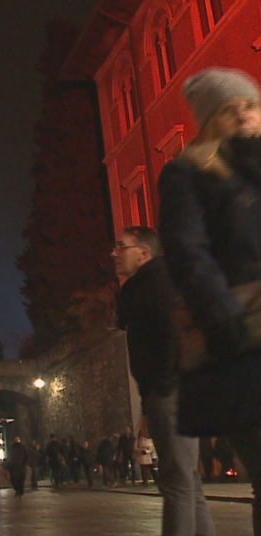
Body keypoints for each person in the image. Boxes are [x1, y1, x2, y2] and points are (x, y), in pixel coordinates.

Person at [158, 66, 261, 534]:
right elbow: (186, 250)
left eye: (250, 106)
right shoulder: (188, 173)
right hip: (242, 337)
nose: (243, 117)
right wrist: (222, 316)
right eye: (228, 110)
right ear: (207, 120)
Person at [115, 220, 218, 534]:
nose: (114, 253)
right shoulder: (148, 283)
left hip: (170, 392)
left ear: (143, 253)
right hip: (174, 390)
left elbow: (169, 335)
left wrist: (160, 388)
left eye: (122, 246)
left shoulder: (155, 283)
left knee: (176, 482)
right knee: (187, 481)